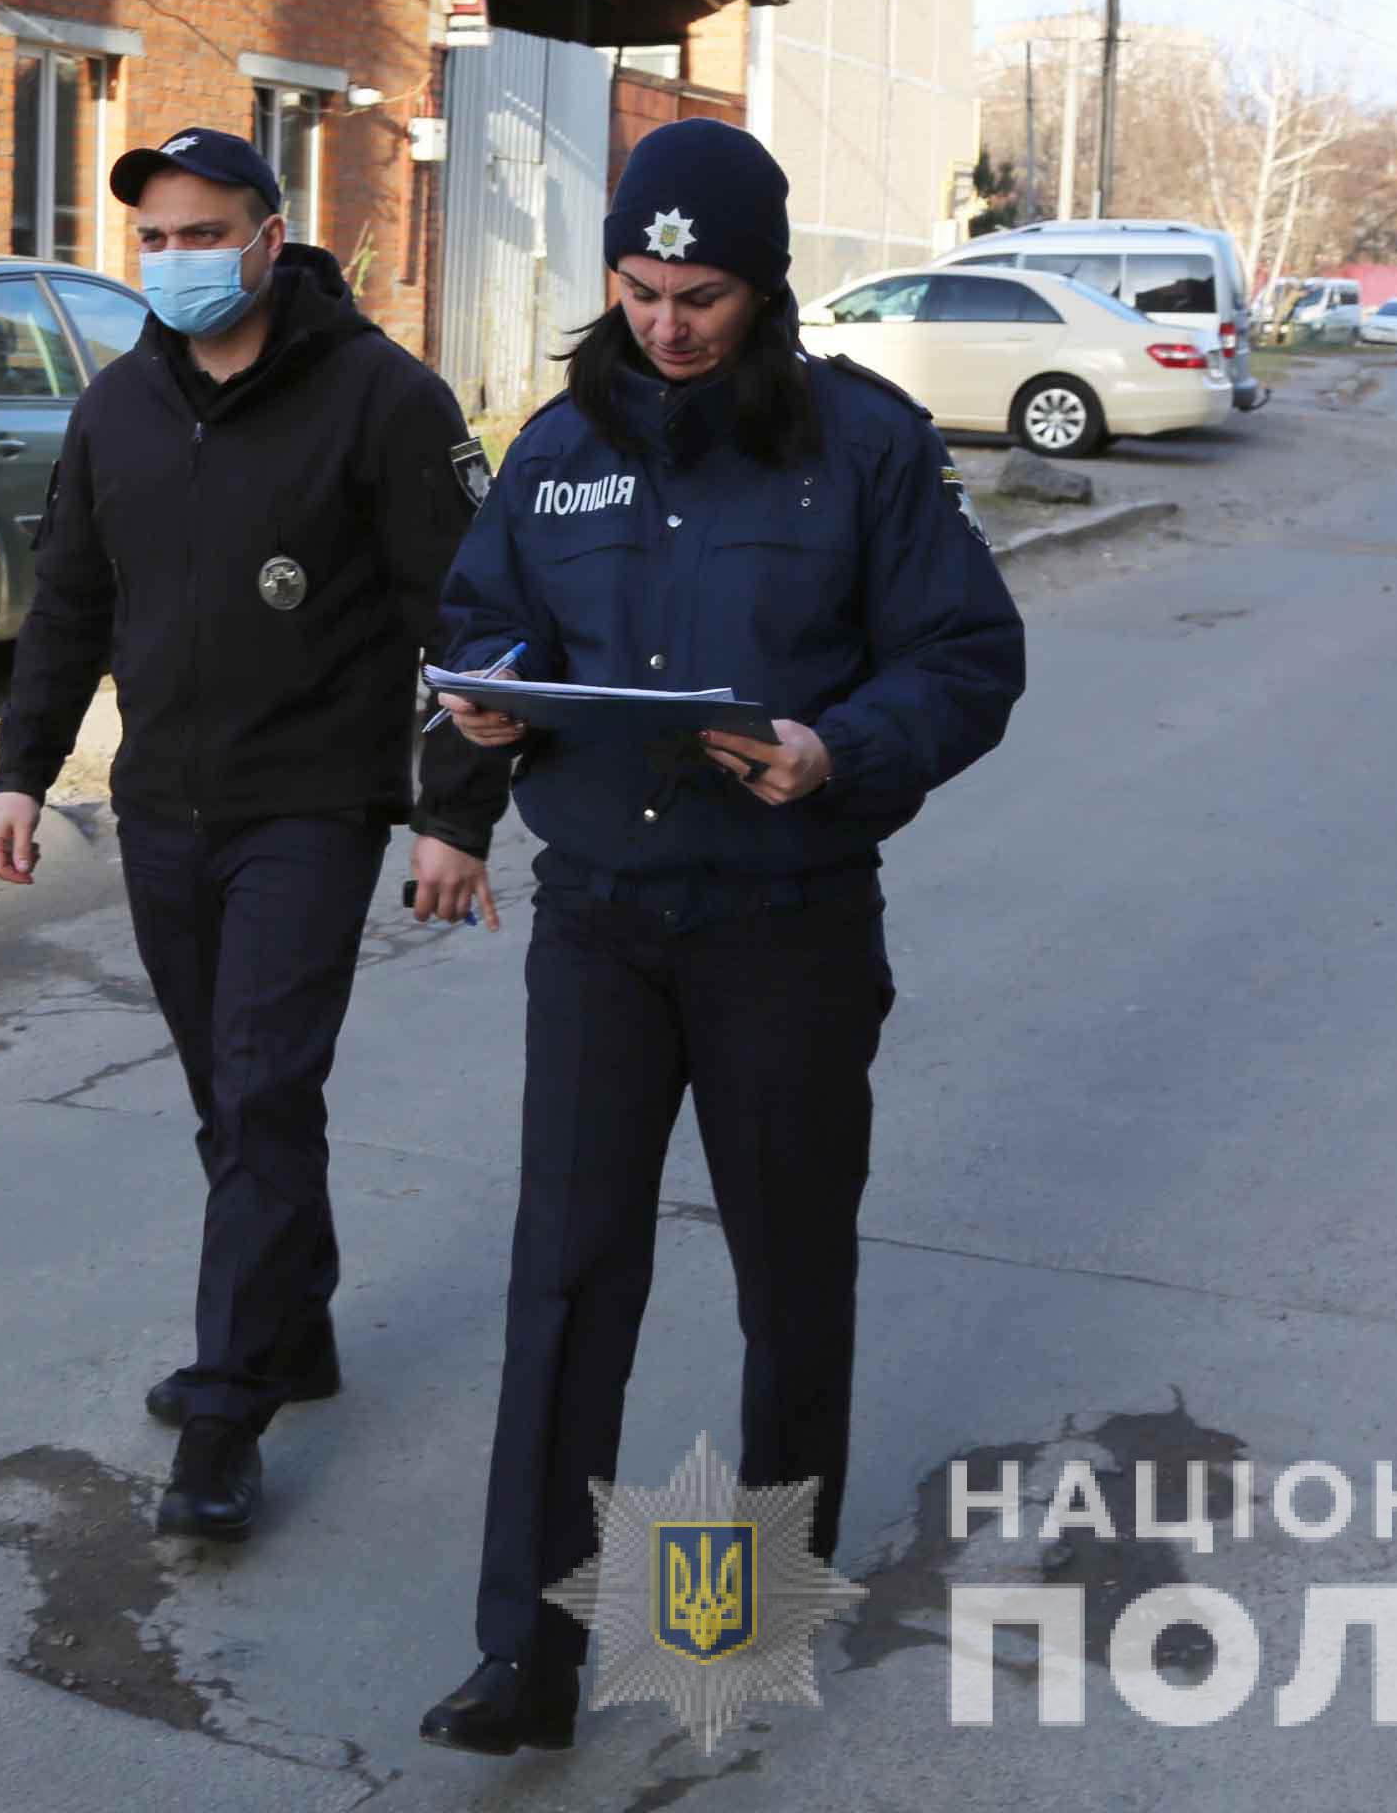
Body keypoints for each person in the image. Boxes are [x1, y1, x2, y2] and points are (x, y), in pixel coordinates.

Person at [413, 120, 1026, 1756]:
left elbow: (969, 659)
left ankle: (757, 1607)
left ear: (764, 291)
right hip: (602, 927)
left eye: (699, 297)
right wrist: (474, 728)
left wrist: (840, 748)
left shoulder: (864, 449)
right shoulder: (556, 449)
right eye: (638, 291)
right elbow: (480, 620)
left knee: (787, 1275)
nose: (666, 328)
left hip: (788, 926)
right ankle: (524, 1654)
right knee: (568, 1277)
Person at [0, 126, 503, 1545]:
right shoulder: (120, 409)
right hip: (165, 810)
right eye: (153, 238)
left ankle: (224, 1418)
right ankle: (294, 1326)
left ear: (272, 236)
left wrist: (455, 810)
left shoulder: (382, 399)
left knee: (267, 1088)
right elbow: (70, 601)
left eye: (203, 234)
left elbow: (465, 622)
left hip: (313, 809)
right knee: (232, 1096)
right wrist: (21, 773)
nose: (176, 261)